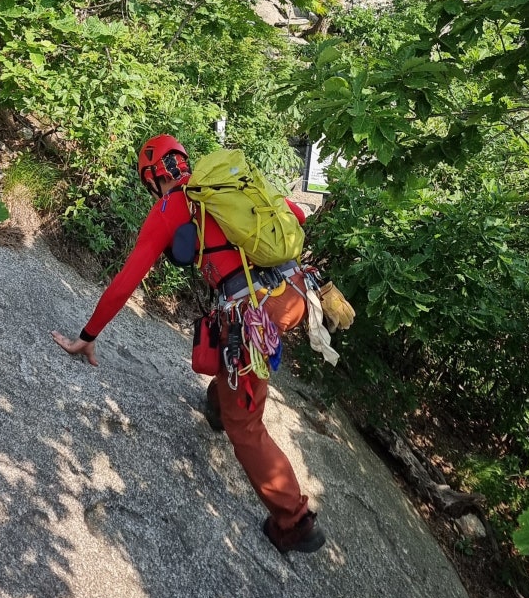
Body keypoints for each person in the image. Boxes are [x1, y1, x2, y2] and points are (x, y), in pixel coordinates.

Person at [52, 135, 325, 555]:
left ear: (150, 177)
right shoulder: (225, 186)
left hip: (252, 313)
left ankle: (294, 521)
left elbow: (126, 283)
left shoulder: (169, 208)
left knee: (246, 426)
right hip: (293, 293)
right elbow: (294, 217)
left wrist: (86, 337)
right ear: (183, 161)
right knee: (230, 368)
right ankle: (219, 406)